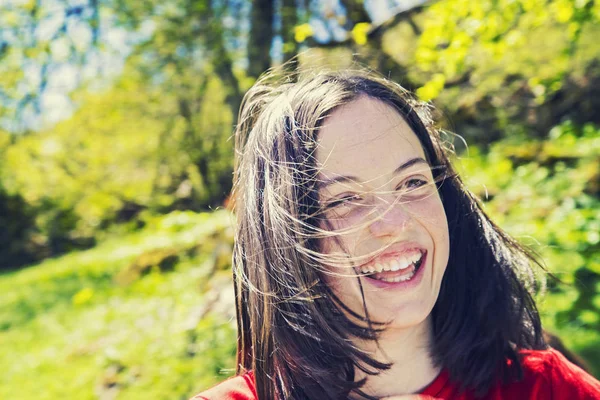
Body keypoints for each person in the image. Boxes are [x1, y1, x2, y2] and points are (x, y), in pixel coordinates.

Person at [191, 69, 600, 399]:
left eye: (412, 183)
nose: (395, 223)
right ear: (284, 240)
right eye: (344, 199)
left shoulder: (548, 388)